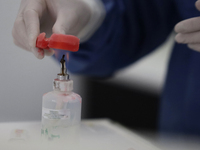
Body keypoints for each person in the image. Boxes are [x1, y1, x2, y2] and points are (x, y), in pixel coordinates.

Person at [12, 0, 200, 136]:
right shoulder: (58, 99)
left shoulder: (71, 100)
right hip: (184, 134)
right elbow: (141, 15)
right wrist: (89, 16)